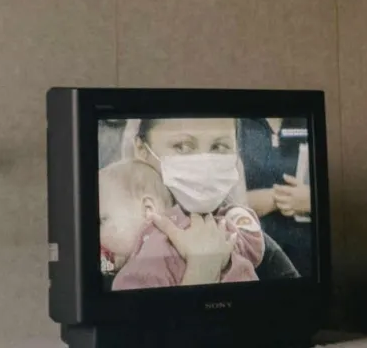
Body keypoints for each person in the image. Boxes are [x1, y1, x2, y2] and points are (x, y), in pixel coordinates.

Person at [104, 119, 266, 290]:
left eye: (218, 147)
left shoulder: (239, 230)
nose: (205, 166)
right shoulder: (115, 241)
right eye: (182, 146)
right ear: (142, 150)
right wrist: (203, 271)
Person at [238, 117, 313, 277]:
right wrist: (278, 199)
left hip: (308, 254)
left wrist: (311, 199)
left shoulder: (309, 120)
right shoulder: (238, 123)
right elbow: (218, 199)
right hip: (251, 252)